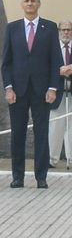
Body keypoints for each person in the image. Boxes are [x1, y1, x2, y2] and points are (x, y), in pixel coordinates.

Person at [2, 0, 61, 189]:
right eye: (26, 1)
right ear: (22, 5)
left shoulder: (50, 28)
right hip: (17, 90)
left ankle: (41, 177)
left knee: (41, 134)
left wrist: (53, 88)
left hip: (42, 90)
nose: (29, 4)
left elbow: (56, 61)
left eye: (33, 1)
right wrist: (8, 88)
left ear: (38, 4)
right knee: (17, 134)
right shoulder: (12, 28)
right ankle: (17, 177)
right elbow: (7, 62)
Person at [54, 21, 72, 167]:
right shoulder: (53, 48)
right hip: (57, 92)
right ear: (59, 31)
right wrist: (58, 71)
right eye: (63, 30)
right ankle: (52, 159)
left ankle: (70, 157)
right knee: (55, 126)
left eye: (68, 30)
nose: (66, 32)